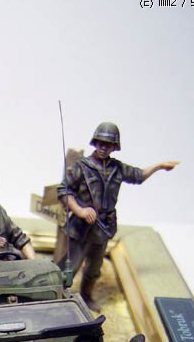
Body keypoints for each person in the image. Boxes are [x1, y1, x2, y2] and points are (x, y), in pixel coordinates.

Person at [56, 122, 178, 311]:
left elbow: (138, 176)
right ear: (95, 143)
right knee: (70, 266)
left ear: (114, 146)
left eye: (108, 144)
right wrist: (80, 211)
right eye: (101, 143)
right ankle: (57, 297)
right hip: (81, 228)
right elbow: (63, 191)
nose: (104, 147)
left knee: (94, 268)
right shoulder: (81, 167)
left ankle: (86, 296)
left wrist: (159, 166)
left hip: (103, 227)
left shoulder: (117, 169)